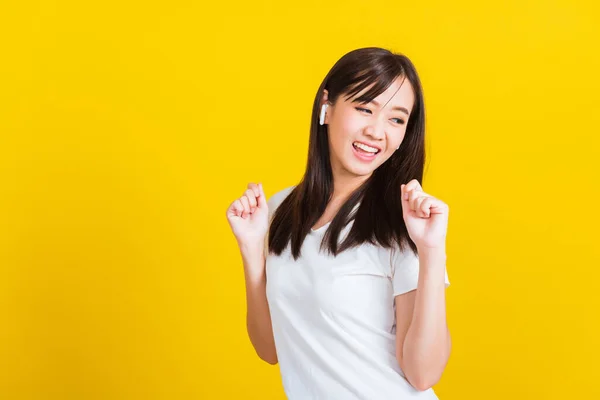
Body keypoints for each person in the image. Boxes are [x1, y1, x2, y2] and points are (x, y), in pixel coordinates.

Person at [226, 47, 452, 399]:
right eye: (365, 109)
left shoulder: (403, 224)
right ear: (327, 106)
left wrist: (432, 250)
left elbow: (421, 374)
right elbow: (271, 348)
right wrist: (252, 247)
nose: (377, 132)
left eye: (396, 119)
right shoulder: (281, 210)